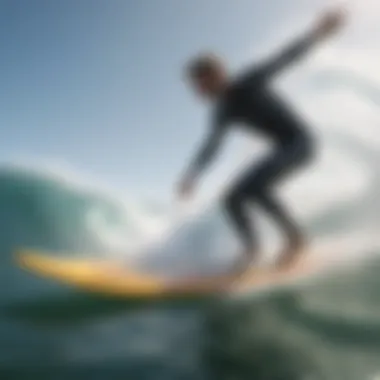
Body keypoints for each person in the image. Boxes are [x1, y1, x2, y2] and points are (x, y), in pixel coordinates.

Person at [176, 9, 346, 274]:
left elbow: (284, 58)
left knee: (255, 187)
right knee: (231, 198)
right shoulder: (223, 111)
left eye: (198, 84)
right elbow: (212, 145)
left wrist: (317, 34)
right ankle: (252, 250)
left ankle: (296, 240)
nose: (197, 92)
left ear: (216, 74)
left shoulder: (248, 81)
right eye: (194, 87)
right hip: (283, 148)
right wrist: (193, 174)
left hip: (301, 142)